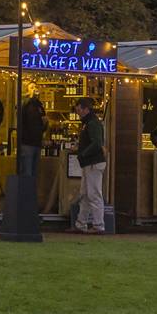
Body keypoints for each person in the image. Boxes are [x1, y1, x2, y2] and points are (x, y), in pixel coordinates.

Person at [72, 98, 106, 233]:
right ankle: (81, 224)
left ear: (86, 109)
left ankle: (98, 225)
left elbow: (97, 143)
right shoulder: (91, 122)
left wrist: (83, 153)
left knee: (93, 194)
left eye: (79, 109)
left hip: (93, 163)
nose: (78, 112)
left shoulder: (91, 123)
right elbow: (97, 143)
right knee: (86, 194)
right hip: (91, 163)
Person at [17, 94, 46, 187]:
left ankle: (28, 196)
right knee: (30, 174)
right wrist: (44, 126)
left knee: (29, 173)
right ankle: (28, 196)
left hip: (30, 143)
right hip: (31, 143)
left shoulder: (34, 106)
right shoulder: (35, 107)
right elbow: (37, 126)